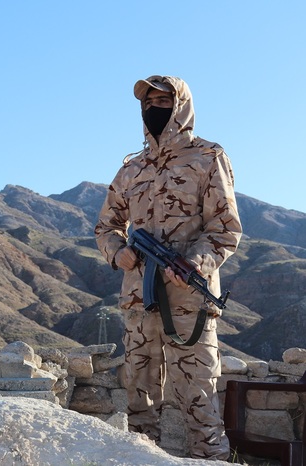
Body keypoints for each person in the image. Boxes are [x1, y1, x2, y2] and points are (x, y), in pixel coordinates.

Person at [94, 75, 242, 460]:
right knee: (139, 402)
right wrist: (118, 253)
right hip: (139, 302)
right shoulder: (132, 168)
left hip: (188, 301)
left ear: (180, 107)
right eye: (149, 103)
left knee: (199, 400)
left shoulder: (208, 157)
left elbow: (225, 228)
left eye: (163, 102)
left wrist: (195, 262)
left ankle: (210, 460)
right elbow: (106, 226)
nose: (154, 109)